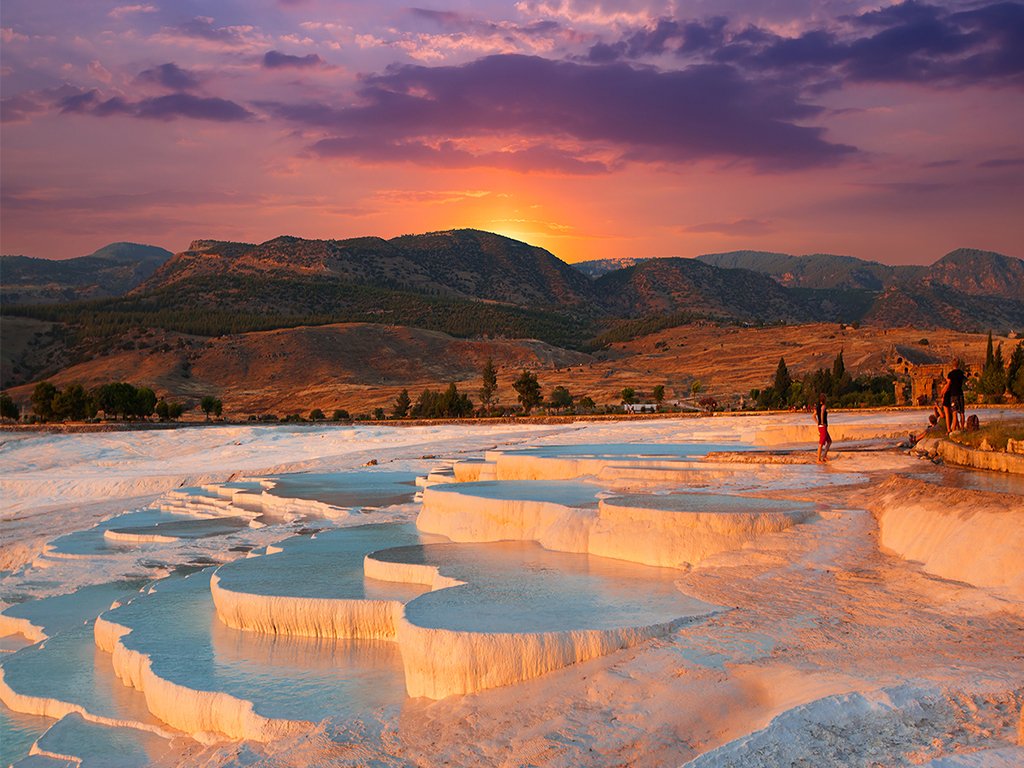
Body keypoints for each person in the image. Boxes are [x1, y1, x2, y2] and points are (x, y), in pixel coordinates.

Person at [940, 360, 966, 433]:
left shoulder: (951, 374)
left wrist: (942, 392)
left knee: (954, 413)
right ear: (959, 364)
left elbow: (948, 384)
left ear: (952, 365)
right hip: (960, 393)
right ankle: (962, 428)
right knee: (962, 412)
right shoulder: (961, 373)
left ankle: (953, 430)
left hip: (953, 394)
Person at [815, 393, 832, 463]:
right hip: (823, 426)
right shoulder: (823, 406)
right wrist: (822, 422)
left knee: (829, 441)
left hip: (820, 426)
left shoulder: (817, 407)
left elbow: (813, 416)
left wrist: (817, 422)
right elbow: (822, 413)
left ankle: (824, 456)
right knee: (821, 443)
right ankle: (818, 459)